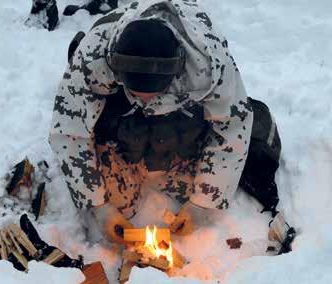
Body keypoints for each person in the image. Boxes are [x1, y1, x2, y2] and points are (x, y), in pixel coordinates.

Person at [49, 0, 255, 244]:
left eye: (152, 92)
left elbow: (233, 125)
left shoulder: (208, 66)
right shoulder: (93, 57)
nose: (147, 99)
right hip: (117, 94)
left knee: (192, 185)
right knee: (119, 202)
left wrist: (203, 203)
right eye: (139, 92)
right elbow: (69, 131)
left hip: (183, 99)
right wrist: (97, 205)